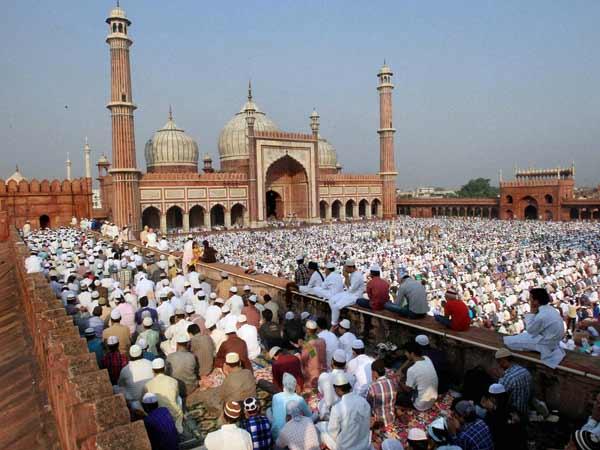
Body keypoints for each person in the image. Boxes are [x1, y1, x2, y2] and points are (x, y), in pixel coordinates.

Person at [504, 287, 566, 368]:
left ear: (536, 301)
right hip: (550, 341)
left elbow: (530, 330)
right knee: (519, 337)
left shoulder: (542, 315)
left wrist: (532, 311)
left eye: (531, 299)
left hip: (545, 344)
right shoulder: (551, 309)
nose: (530, 301)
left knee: (508, 342)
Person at [316, 372, 371, 450]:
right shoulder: (364, 402)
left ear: (338, 389)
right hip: (364, 444)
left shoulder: (337, 408)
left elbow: (333, 434)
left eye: (335, 390)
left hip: (345, 447)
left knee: (319, 426)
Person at [144, 358, 184, 434]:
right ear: (165, 369)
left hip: (159, 416)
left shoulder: (147, 385)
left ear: (152, 370)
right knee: (179, 398)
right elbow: (176, 396)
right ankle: (177, 425)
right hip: (174, 414)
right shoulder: (173, 381)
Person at [397, 342, 438, 411]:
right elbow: (410, 361)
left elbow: (407, 389)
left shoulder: (412, 370)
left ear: (412, 353)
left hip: (420, 405)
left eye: (406, 352)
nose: (405, 354)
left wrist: (398, 380)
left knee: (398, 395)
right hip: (432, 400)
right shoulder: (427, 358)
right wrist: (401, 369)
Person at [317, 348, 356, 420]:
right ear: (345, 365)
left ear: (332, 362)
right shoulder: (352, 378)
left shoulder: (324, 376)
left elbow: (320, 391)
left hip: (328, 415)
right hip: (346, 413)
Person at [494, 348, 532, 419]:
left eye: (498, 362)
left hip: (513, 415)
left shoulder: (507, 378)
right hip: (526, 412)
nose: (498, 365)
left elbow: (498, 398)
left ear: (503, 360)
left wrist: (500, 378)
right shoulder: (525, 371)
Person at [328, 260, 365, 326]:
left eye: (346, 268)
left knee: (336, 306)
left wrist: (346, 277)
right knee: (331, 300)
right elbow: (346, 285)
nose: (344, 269)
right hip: (349, 294)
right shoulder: (352, 274)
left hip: (355, 296)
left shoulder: (357, 276)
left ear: (351, 268)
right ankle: (336, 316)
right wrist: (346, 277)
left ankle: (334, 324)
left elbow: (350, 290)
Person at [118, 344, 154, 410]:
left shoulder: (125, 369)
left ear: (129, 356)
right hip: (153, 397)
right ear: (142, 354)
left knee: (116, 387)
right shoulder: (150, 363)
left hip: (136, 402)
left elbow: (120, 385)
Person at [367, 359, 397, 430]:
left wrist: (374, 381)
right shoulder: (392, 382)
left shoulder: (372, 386)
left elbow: (368, 404)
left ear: (374, 372)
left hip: (379, 422)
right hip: (391, 419)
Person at [166, 333, 198, 397]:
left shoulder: (170, 357)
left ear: (177, 344)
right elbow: (195, 371)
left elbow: (167, 374)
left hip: (175, 389)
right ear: (188, 344)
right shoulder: (192, 356)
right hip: (191, 388)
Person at [299, 320, 327, 388]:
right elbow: (314, 354)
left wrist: (302, 347)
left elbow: (304, 359)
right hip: (322, 370)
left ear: (307, 330)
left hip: (312, 373)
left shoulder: (309, 344)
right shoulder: (322, 341)